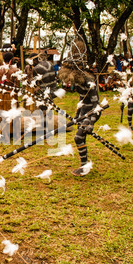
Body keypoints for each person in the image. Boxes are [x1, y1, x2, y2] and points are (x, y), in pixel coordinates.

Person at [57, 39, 101, 176]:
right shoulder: (78, 80)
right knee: (80, 138)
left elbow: (97, 106)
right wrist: (77, 114)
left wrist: (91, 123)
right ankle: (85, 164)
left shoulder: (89, 82)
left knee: (78, 137)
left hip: (93, 111)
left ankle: (84, 166)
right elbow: (82, 99)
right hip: (83, 111)